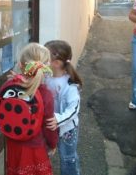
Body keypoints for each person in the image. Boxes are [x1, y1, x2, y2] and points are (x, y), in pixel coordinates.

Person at [0, 42, 58, 175]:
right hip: (35, 147)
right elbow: (49, 126)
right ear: (45, 67)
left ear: (20, 65)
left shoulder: (8, 86)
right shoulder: (45, 94)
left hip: (13, 143)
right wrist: (52, 144)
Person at [45, 40, 82, 175]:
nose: (42, 59)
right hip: (51, 125)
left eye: (45, 55)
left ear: (56, 62)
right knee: (47, 152)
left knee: (68, 157)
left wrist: (58, 119)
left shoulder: (70, 84)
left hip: (67, 129)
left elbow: (74, 109)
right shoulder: (46, 76)